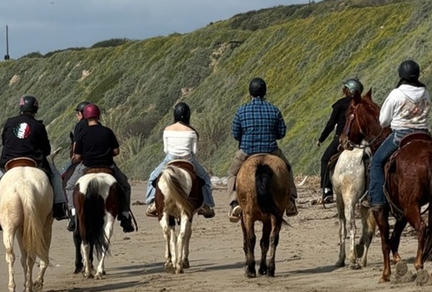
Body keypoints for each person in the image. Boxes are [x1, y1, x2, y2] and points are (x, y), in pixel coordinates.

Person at [361, 59, 432, 210]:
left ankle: (377, 200)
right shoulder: (425, 92)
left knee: (376, 163)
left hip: (401, 134)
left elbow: (384, 120)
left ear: (401, 75)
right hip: (424, 134)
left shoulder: (396, 94)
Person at [226, 77, 299, 222]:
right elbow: (281, 133)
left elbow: (235, 134)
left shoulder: (241, 111)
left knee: (232, 174)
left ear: (250, 93)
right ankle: (291, 200)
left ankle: (234, 203)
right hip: (271, 150)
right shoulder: (274, 110)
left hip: (247, 151)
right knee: (288, 168)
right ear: (265, 92)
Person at [0, 95, 68, 230]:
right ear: (35, 109)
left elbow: (4, 142)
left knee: (0, 183)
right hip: (34, 161)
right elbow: (46, 149)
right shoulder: (38, 125)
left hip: (11, 161)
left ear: (21, 108)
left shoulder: (9, 122)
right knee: (55, 176)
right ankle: (59, 207)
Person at [65, 103, 135, 233]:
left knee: (69, 186)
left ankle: (74, 215)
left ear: (85, 116)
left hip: (87, 166)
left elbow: (78, 156)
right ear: (98, 116)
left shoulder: (82, 133)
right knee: (125, 186)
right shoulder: (107, 131)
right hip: (107, 165)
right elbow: (116, 151)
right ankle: (125, 215)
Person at [144, 102, 216, 218]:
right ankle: (207, 205)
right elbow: (194, 151)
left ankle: (152, 202)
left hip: (170, 158)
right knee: (205, 178)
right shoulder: (192, 132)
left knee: (153, 177)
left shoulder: (167, 129)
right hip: (188, 159)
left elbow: (165, 149)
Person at [316, 78, 364, 203]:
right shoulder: (362, 104)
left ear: (349, 90)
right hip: (359, 140)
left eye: (345, 88)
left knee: (325, 159)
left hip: (342, 139)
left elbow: (331, 124)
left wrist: (321, 139)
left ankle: (327, 190)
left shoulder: (340, 104)